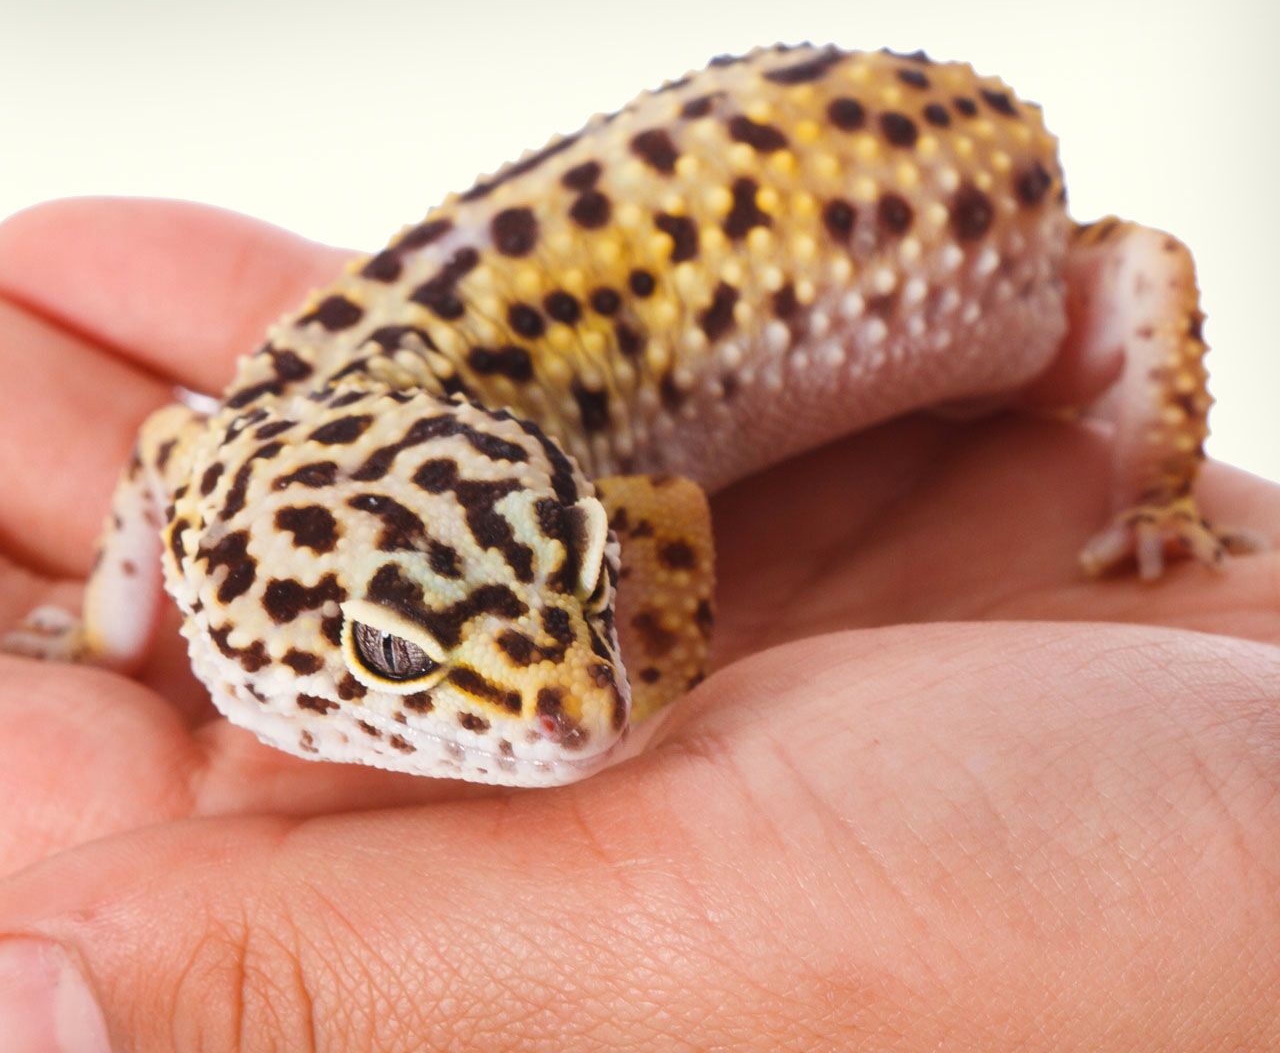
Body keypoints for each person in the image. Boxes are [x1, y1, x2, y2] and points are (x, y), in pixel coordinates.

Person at [0, 196, 1277, 1051]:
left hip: (917, 209)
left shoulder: (244, 457)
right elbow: (169, 447)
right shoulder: (213, 470)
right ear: (219, 601)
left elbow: (639, 513)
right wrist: (110, 641)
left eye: (586, 585)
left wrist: (673, 678)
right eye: (397, 657)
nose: (576, 707)